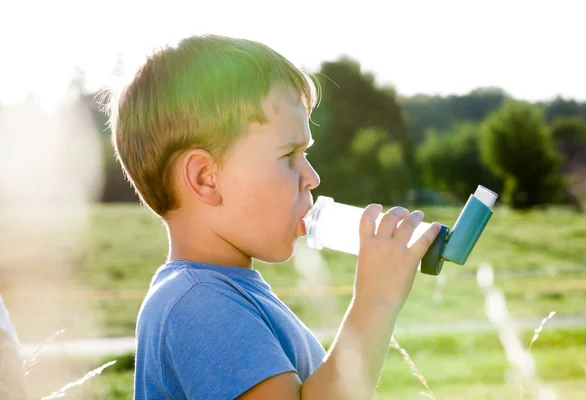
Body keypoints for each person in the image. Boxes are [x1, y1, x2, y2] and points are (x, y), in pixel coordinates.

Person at [106, 34, 441, 399]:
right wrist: (375, 302)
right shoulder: (199, 304)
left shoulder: (224, 294)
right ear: (206, 179)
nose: (311, 177)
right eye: (288, 156)